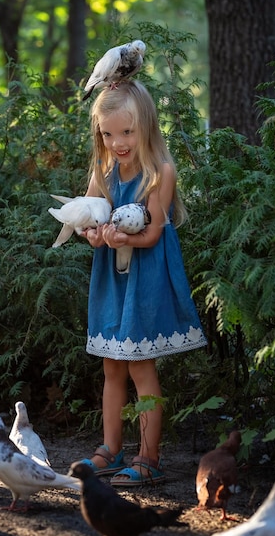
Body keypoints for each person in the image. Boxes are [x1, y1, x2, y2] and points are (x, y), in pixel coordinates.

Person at [77, 79, 207, 486]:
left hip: (144, 280)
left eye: (127, 132)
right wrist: (94, 234)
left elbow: (151, 235)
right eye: (108, 133)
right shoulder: (103, 171)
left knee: (139, 366)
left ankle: (150, 456)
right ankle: (110, 449)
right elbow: (89, 219)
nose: (118, 142)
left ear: (146, 126)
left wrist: (124, 237)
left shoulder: (159, 172)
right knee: (112, 367)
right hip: (112, 281)